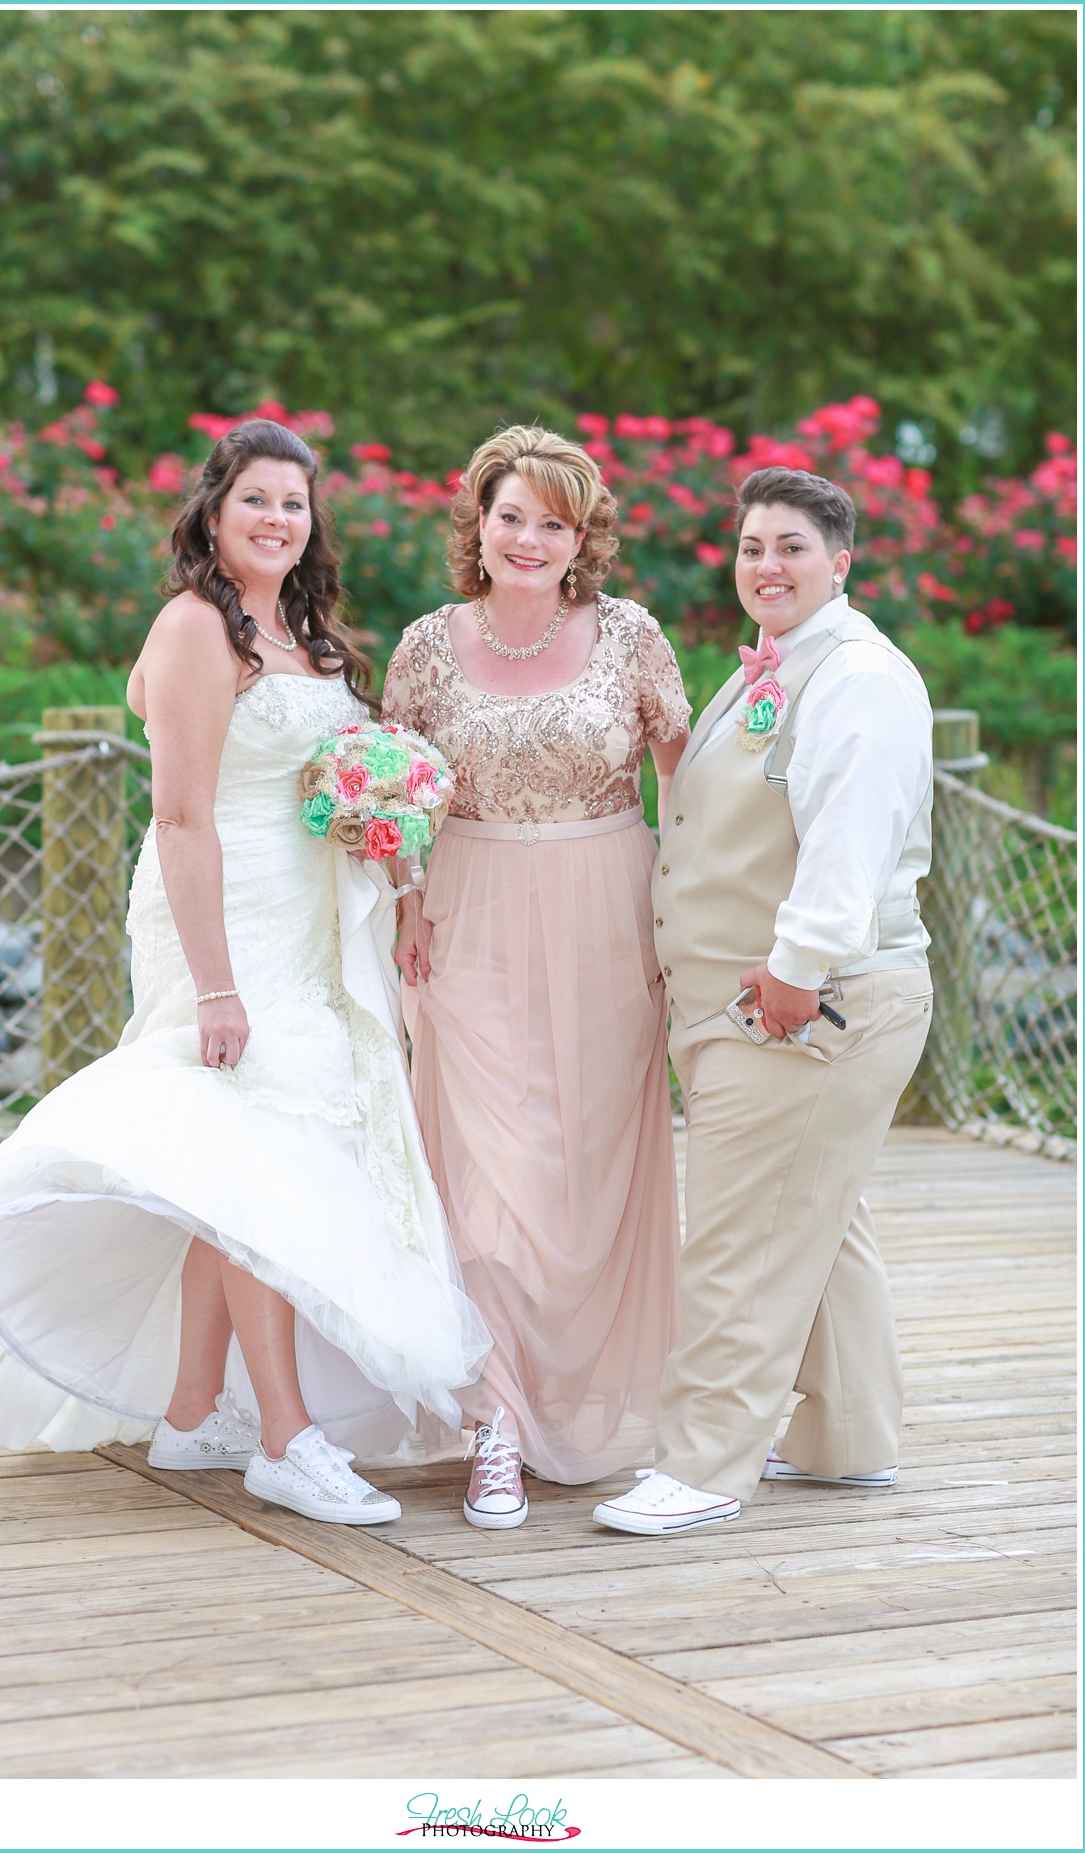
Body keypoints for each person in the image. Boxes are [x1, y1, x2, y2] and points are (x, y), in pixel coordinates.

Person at [0, 418, 489, 1525]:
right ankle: (284, 1435)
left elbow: (315, 773)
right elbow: (179, 818)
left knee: (245, 1149)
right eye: (256, 498)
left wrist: (377, 816)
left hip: (307, 912)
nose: (277, 518)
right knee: (258, 1143)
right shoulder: (191, 629)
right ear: (214, 512)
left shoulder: (301, 627)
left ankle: (188, 1412)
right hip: (221, 911)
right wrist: (217, 986)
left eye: (294, 502)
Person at [594, 465, 934, 1537]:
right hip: (758, 1001)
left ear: (842, 560)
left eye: (790, 546)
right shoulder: (780, 667)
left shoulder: (862, 679)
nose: (767, 565)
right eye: (751, 547)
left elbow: (848, 842)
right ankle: (847, 1439)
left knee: (740, 1236)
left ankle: (702, 1464)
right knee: (820, 1215)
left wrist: (794, 972)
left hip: (801, 1003)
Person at [382, 425, 691, 1528]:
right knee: (484, 1169)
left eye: (552, 522)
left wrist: (691, 921)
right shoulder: (426, 644)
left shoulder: (630, 636)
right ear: (481, 522)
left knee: (584, 1172)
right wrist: (410, 903)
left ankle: (586, 1396)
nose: (528, 537)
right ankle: (493, 1423)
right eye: (511, 515)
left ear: (581, 538)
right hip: (466, 922)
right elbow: (396, 790)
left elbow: (686, 785)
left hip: (609, 917)